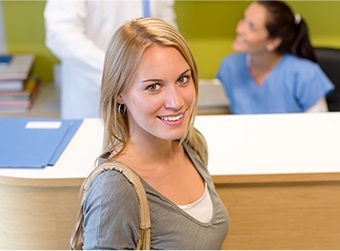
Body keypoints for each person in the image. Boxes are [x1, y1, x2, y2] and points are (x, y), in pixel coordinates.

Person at [78, 17, 229, 249]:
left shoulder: (191, 144)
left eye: (183, 79)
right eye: (153, 87)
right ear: (120, 93)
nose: (176, 102)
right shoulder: (115, 190)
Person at [44, 0, 177, 119]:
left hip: (151, 89)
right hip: (94, 95)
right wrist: (119, 70)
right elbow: (60, 33)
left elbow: (165, 24)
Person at [216, 0, 334, 114]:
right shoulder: (229, 66)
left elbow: (319, 127)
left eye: (252, 27)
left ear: (274, 42)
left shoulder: (304, 74)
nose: (239, 29)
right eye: (243, 19)